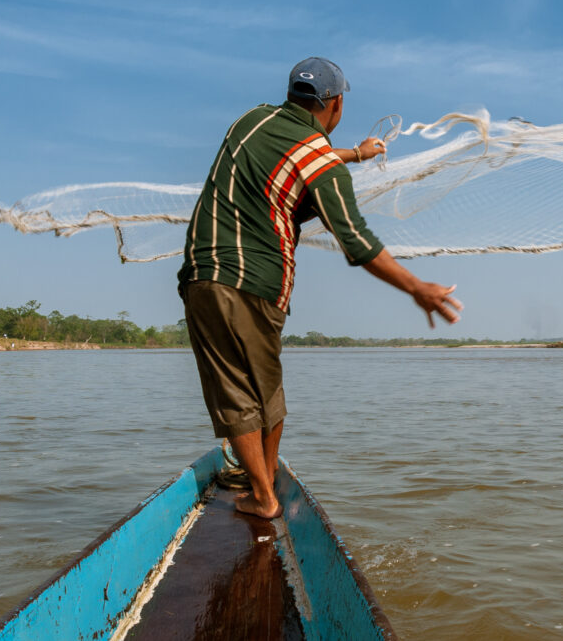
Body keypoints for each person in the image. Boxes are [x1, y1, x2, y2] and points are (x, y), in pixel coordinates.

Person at [178, 57, 463, 519]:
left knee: (233, 389)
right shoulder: (321, 163)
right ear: (336, 104)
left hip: (206, 273)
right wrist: (416, 287)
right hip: (263, 281)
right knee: (265, 390)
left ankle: (262, 488)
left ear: (293, 94)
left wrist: (355, 154)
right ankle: (265, 491)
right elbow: (355, 239)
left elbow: (292, 156)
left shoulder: (249, 121)